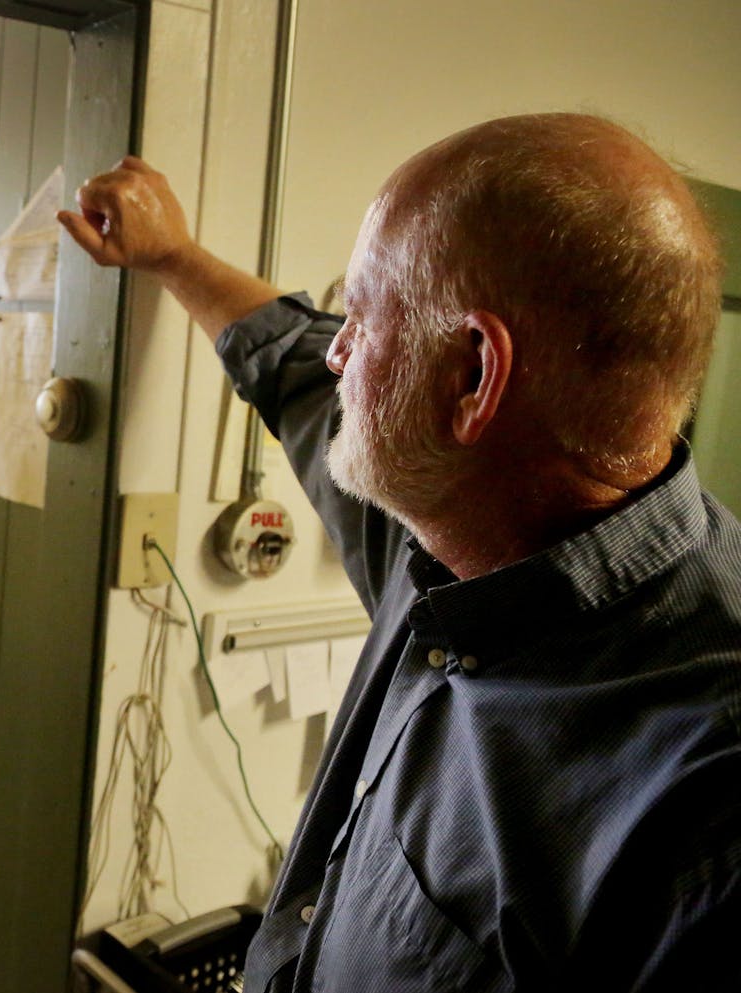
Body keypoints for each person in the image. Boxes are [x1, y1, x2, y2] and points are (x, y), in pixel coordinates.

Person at [59, 114, 741, 990]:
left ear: (472, 377)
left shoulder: (706, 813)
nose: (339, 349)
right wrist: (175, 256)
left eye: (363, 314)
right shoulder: (463, 532)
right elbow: (297, 366)